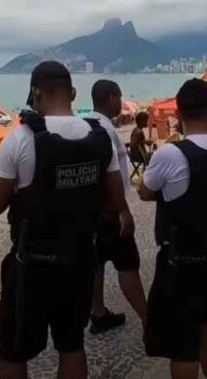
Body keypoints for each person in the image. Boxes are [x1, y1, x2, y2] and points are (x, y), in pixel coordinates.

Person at [0, 62, 133, 379]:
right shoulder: (97, 135)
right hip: (79, 260)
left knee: (14, 352)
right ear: (73, 93)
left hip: (31, 265)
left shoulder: (21, 138)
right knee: (72, 345)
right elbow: (116, 201)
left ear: (35, 92)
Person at [139, 79, 207, 379]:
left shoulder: (172, 154)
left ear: (178, 112)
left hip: (182, 260)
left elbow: (145, 190)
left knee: (183, 343)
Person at [84, 80, 147, 333]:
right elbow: (111, 173)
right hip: (111, 209)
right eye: (120, 97)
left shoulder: (86, 124)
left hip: (92, 209)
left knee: (97, 262)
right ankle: (149, 320)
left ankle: (97, 312)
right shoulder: (106, 131)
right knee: (127, 264)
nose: (121, 102)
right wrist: (123, 211)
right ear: (111, 98)